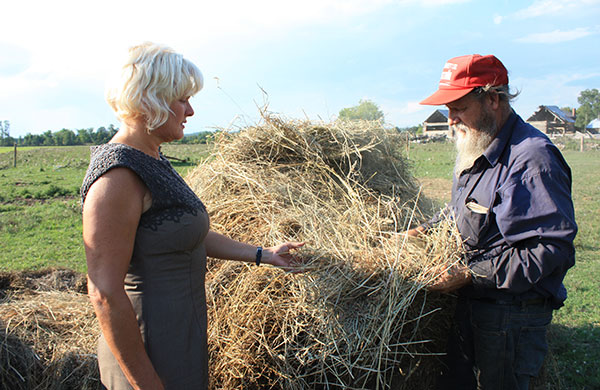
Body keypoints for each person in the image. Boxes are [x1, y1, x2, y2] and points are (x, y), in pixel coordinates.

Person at [81, 42, 304, 390]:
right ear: (150, 100)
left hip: (180, 338)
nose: (190, 111)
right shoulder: (117, 177)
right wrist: (146, 384)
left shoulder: (152, 159)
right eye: (182, 99)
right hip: (145, 350)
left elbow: (183, 232)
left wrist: (263, 255)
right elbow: (104, 293)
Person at [409, 54, 577, 389]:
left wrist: (471, 273)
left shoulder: (531, 159)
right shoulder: (480, 147)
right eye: (448, 110)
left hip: (511, 316)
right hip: (476, 305)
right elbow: (465, 208)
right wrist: (424, 230)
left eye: (459, 108)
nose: (452, 120)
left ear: (492, 99)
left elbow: (551, 249)